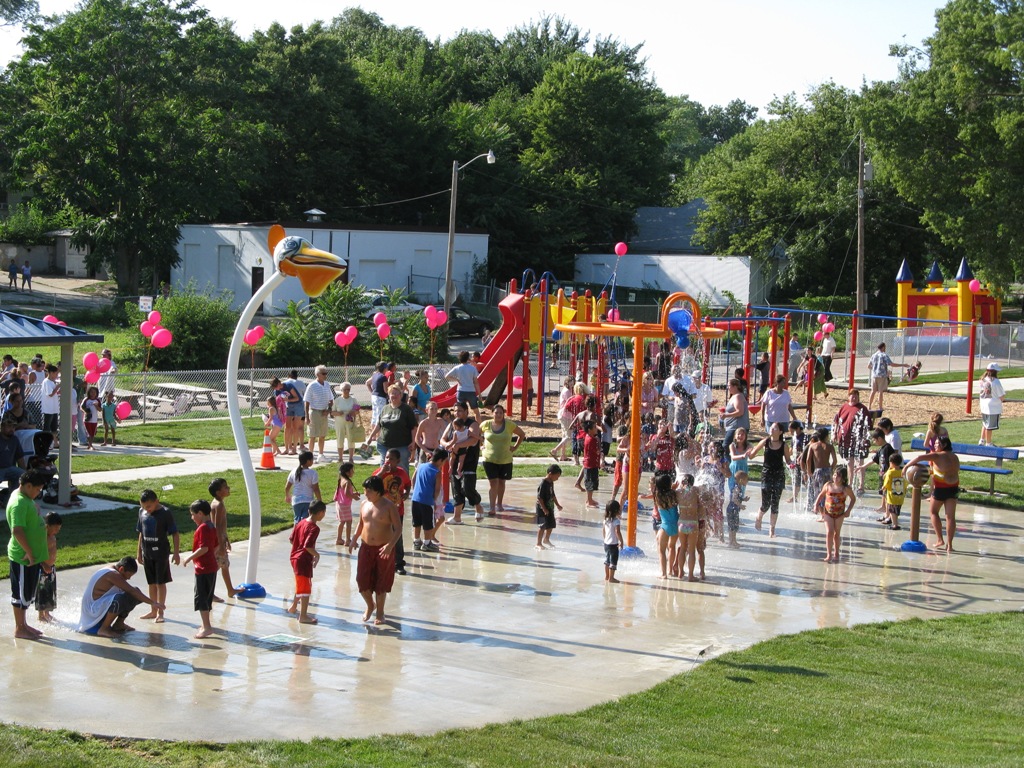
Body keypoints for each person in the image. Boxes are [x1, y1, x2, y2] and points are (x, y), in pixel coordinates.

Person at [350, 475, 402, 625]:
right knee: (362, 581)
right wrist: (354, 539)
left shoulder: (389, 506)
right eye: (365, 490)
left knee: (381, 583)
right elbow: (361, 524)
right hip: (366, 548)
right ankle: (370, 605)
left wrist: (390, 545)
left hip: (383, 549)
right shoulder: (364, 505)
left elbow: (398, 529)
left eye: (368, 491)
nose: (365, 493)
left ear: (378, 492)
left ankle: (380, 612)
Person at [7, 469, 49, 639]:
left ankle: (24, 625)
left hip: (30, 558)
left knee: (27, 594)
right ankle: (19, 628)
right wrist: (29, 552)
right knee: (20, 594)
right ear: (28, 485)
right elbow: (17, 531)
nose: (38, 493)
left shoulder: (25, 498)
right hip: (23, 558)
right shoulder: (19, 503)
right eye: (37, 489)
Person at [77, 557, 165, 637]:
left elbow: (134, 592)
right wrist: (153, 603)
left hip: (99, 606)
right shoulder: (112, 574)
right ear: (121, 569)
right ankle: (104, 629)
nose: (128, 579)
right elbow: (131, 590)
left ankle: (119, 624)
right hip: (92, 611)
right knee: (121, 599)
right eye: (128, 576)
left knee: (133, 595)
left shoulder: (114, 570)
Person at [903, 436, 960, 552]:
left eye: (937, 444)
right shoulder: (955, 457)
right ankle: (950, 545)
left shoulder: (937, 455)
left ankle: (940, 539)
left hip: (941, 488)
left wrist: (906, 466)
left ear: (944, 445)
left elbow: (919, 457)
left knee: (933, 512)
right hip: (953, 487)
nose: (935, 446)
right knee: (950, 517)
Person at [136, 488, 180, 623]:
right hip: (147, 552)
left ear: (157, 501)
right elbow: (141, 533)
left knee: (160, 582)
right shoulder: (141, 512)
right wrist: (139, 552)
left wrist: (176, 553)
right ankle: (153, 609)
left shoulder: (165, 513)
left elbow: (175, 533)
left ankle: (160, 612)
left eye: (149, 506)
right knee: (151, 583)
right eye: (143, 506)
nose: (146, 509)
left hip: (161, 553)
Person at [180, 499, 219, 639]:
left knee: (201, 597)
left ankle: (207, 627)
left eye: (193, 514)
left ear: (200, 513)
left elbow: (204, 548)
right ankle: (205, 624)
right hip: (211, 567)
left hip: (203, 569)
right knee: (207, 597)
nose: (192, 518)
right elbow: (216, 546)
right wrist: (211, 556)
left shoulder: (203, 528)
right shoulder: (211, 526)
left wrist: (189, 558)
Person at [480, 403, 526, 515]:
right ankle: (492, 507)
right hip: (489, 458)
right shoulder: (486, 424)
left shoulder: (509, 425)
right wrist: (481, 445)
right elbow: (476, 434)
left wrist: (515, 447)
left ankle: (499, 504)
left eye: (501, 413)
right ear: (493, 414)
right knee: (493, 482)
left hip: (505, 459)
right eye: (496, 412)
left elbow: (522, 434)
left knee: (501, 482)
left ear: (503, 414)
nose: (498, 415)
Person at [748, 421, 792, 538]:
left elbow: (788, 460)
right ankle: (759, 516)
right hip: (766, 475)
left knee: (775, 503)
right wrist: (750, 454)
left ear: (781, 432)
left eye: (775, 428)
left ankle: (772, 529)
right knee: (766, 503)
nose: (772, 430)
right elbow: (752, 455)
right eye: (771, 428)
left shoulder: (784, 445)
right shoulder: (765, 442)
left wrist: (791, 463)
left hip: (779, 475)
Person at [372, 448, 411, 575]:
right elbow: (371, 483)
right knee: (381, 536)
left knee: (397, 538)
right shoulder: (380, 472)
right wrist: (382, 472)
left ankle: (398, 563)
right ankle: (381, 562)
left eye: (391, 459)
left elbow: (408, 483)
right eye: (387, 457)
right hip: (382, 512)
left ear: (398, 461)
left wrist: (406, 492)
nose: (388, 460)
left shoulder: (402, 473)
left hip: (397, 511)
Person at [287, 499, 325, 624]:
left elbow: (292, 539)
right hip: (303, 560)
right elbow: (307, 546)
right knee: (306, 590)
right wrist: (316, 555)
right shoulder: (314, 528)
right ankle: (303, 616)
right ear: (320, 513)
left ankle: (293, 607)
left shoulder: (301, 523)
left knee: (301, 584)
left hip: (294, 558)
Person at [446, 400, 484, 524]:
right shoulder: (453, 424)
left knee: (467, 488)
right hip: (454, 459)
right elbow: (443, 438)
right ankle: (457, 517)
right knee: (456, 488)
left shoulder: (472, 424)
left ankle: (478, 505)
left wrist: (457, 445)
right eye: (455, 410)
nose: (457, 413)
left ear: (466, 411)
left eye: (460, 411)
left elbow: (473, 441)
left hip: (469, 460)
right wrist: (447, 445)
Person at [367, 384, 418, 472]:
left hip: (401, 445)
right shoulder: (385, 408)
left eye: (396, 393)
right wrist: (371, 436)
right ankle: (384, 485)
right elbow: (379, 424)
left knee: (401, 469)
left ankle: (404, 486)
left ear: (401, 395)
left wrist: (413, 442)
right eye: (392, 393)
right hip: (384, 445)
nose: (394, 396)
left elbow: (414, 427)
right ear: (388, 395)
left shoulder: (406, 409)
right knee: (384, 469)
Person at [208, 478, 243, 599]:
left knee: (224, 565)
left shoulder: (215, 503)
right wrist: (221, 545)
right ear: (218, 492)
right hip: (218, 539)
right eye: (225, 487)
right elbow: (217, 526)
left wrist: (225, 538)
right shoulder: (219, 505)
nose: (228, 488)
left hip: (219, 537)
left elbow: (221, 525)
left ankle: (230, 590)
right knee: (216, 567)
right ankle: (210, 593)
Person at [814, 467, 856, 563]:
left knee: (836, 534)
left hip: (840, 514)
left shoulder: (846, 489)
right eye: (834, 475)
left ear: (843, 478)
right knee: (829, 532)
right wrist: (816, 505)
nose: (835, 477)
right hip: (828, 513)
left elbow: (853, 499)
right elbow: (820, 495)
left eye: (838, 476)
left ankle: (836, 553)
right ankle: (829, 554)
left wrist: (848, 510)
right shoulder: (828, 485)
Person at [833, 389, 872, 487]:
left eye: (855, 395)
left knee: (859, 462)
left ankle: (861, 485)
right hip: (845, 440)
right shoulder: (844, 407)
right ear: (848, 397)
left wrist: (864, 439)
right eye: (851, 395)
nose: (853, 397)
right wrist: (834, 433)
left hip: (858, 440)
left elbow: (867, 426)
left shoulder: (863, 409)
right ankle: (850, 483)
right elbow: (837, 422)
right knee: (849, 462)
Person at [411, 448, 446, 553]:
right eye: (444, 462)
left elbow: (413, 479)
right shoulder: (437, 472)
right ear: (440, 460)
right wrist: (435, 502)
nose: (443, 464)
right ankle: (427, 543)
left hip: (415, 498)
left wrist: (416, 490)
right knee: (428, 524)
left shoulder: (421, 466)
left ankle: (416, 541)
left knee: (416, 522)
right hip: (427, 501)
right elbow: (437, 489)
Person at [803, 428, 837, 519]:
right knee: (828, 492)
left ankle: (823, 515)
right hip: (827, 471)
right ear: (826, 436)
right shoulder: (830, 446)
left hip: (818, 471)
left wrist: (809, 471)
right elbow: (835, 460)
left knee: (819, 492)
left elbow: (808, 460)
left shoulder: (813, 446)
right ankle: (828, 512)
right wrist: (831, 469)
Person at [303, 365, 334, 463]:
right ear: (317, 374)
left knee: (322, 435)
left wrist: (328, 410)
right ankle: (310, 456)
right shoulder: (312, 386)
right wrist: (307, 417)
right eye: (323, 373)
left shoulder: (327, 385)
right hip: (314, 411)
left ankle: (321, 455)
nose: (326, 375)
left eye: (326, 373)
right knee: (312, 435)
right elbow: (306, 402)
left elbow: (331, 399)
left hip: (323, 412)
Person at [35, 511, 62, 623]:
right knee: (42, 591)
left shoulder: (52, 537)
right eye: (55, 528)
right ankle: (41, 615)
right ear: (47, 526)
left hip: (51, 567)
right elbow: (36, 553)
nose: (57, 531)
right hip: (42, 567)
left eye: (59, 528)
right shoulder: (42, 537)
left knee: (50, 590)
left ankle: (47, 612)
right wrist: (44, 564)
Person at [653, 473, 679, 579]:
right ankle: (670, 571)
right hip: (676, 524)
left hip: (665, 526)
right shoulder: (673, 494)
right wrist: (673, 488)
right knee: (672, 547)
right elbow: (673, 495)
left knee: (661, 551)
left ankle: (663, 574)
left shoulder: (658, 496)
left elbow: (661, 492)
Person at [867, 342, 906, 411]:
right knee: (880, 392)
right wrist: (903, 365)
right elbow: (891, 364)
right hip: (882, 376)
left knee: (873, 391)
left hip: (874, 375)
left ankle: (869, 406)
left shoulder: (874, 355)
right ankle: (880, 407)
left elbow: (869, 366)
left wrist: (875, 368)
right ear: (883, 347)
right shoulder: (884, 355)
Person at [285, 451, 321, 523]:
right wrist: (319, 500)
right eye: (312, 459)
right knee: (306, 522)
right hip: (307, 501)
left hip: (296, 501)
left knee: (297, 520)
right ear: (308, 461)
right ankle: (303, 534)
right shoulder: (313, 473)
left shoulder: (294, 471)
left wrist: (287, 496)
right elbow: (316, 489)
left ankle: (295, 533)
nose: (312, 461)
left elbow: (287, 487)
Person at [331, 382, 362, 463]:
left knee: (351, 440)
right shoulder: (337, 400)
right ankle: (340, 458)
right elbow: (332, 412)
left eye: (348, 389)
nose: (347, 391)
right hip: (340, 422)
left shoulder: (353, 400)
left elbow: (357, 411)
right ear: (341, 390)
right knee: (340, 439)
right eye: (345, 389)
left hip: (350, 422)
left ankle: (351, 458)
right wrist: (338, 413)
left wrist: (353, 412)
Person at [445, 351, 481, 421]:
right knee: (476, 411)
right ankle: (479, 428)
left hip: (461, 391)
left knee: (460, 411)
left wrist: (457, 379)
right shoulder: (472, 368)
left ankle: (460, 426)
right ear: (468, 358)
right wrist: (479, 394)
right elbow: (476, 382)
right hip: (471, 391)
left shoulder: (457, 368)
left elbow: (447, 376)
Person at [535, 463, 562, 550]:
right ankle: (538, 543)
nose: (557, 479)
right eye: (557, 476)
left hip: (549, 507)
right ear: (550, 474)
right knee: (542, 526)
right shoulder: (543, 483)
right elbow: (540, 498)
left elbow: (553, 495)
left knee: (551, 525)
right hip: (542, 508)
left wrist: (557, 505)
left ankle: (546, 539)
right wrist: (544, 509)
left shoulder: (551, 482)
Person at [979, 362, 1005, 446]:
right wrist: (1002, 400)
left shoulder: (983, 380)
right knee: (990, 427)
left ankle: (982, 440)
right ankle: (988, 443)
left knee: (985, 424)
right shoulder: (996, 382)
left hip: (984, 405)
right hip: (992, 407)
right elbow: (1001, 396)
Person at [281, 369, 307, 455]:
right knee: (299, 427)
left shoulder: (285, 383)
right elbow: (304, 395)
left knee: (288, 428)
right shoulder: (300, 383)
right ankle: (301, 445)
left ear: (288, 375)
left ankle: (288, 446)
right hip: (299, 406)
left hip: (287, 406)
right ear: (297, 376)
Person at [334, 462, 359, 546]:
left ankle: (339, 539)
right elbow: (347, 494)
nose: (354, 472)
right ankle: (348, 540)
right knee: (349, 522)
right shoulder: (347, 482)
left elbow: (343, 493)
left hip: (340, 504)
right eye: (352, 470)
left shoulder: (341, 479)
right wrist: (354, 497)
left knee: (342, 521)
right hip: (345, 505)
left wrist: (354, 493)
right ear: (347, 472)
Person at [721, 378, 749, 450]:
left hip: (737, 427)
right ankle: (734, 460)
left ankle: (732, 461)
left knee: (726, 445)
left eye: (729, 386)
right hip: (732, 426)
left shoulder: (738, 396)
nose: (728, 388)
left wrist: (726, 415)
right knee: (733, 448)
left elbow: (740, 412)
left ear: (735, 386)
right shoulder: (734, 396)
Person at [880, 453, 905, 530]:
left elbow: (887, 482)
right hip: (900, 494)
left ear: (892, 463)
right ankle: (895, 522)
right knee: (896, 509)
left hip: (892, 495)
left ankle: (895, 524)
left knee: (892, 510)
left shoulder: (891, 472)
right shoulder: (902, 471)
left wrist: (883, 487)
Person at [0, 415, 27, 487]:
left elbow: (20, 458)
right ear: (2, 427)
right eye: (9, 426)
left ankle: (13, 495)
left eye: (13, 427)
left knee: (23, 475)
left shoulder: (15, 440)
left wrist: (25, 473)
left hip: (10, 469)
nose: (12, 429)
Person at [580, 420, 601, 508]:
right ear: (589, 430)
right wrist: (599, 444)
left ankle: (590, 499)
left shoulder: (588, 437)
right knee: (590, 483)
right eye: (594, 427)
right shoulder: (592, 440)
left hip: (590, 463)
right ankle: (589, 501)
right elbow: (596, 451)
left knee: (591, 481)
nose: (596, 429)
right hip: (590, 464)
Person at [602, 500, 624, 583]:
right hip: (613, 544)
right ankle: (611, 578)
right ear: (617, 510)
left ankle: (607, 576)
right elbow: (617, 532)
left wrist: (605, 539)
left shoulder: (606, 520)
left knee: (607, 560)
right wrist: (621, 541)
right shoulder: (616, 521)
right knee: (613, 561)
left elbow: (603, 531)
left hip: (606, 543)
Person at [40, 364, 61, 447]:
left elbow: (54, 393)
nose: (56, 376)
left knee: (54, 427)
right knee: (47, 427)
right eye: (55, 374)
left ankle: (55, 442)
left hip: (54, 408)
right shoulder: (47, 382)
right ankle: (45, 443)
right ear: (51, 373)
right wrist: (58, 387)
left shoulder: (52, 382)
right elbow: (50, 394)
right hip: (48, 409)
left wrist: (58, 390)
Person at [366, 361, 389, 430]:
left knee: (374, 415)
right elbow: (385, 390)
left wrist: (372, 391)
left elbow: (367, 383)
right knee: (380, 415)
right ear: (384, 368)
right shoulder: (383, 377)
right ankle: (378, 434)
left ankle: (373, 433)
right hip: (381, 398)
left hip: (374, 396)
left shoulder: (375, 375)